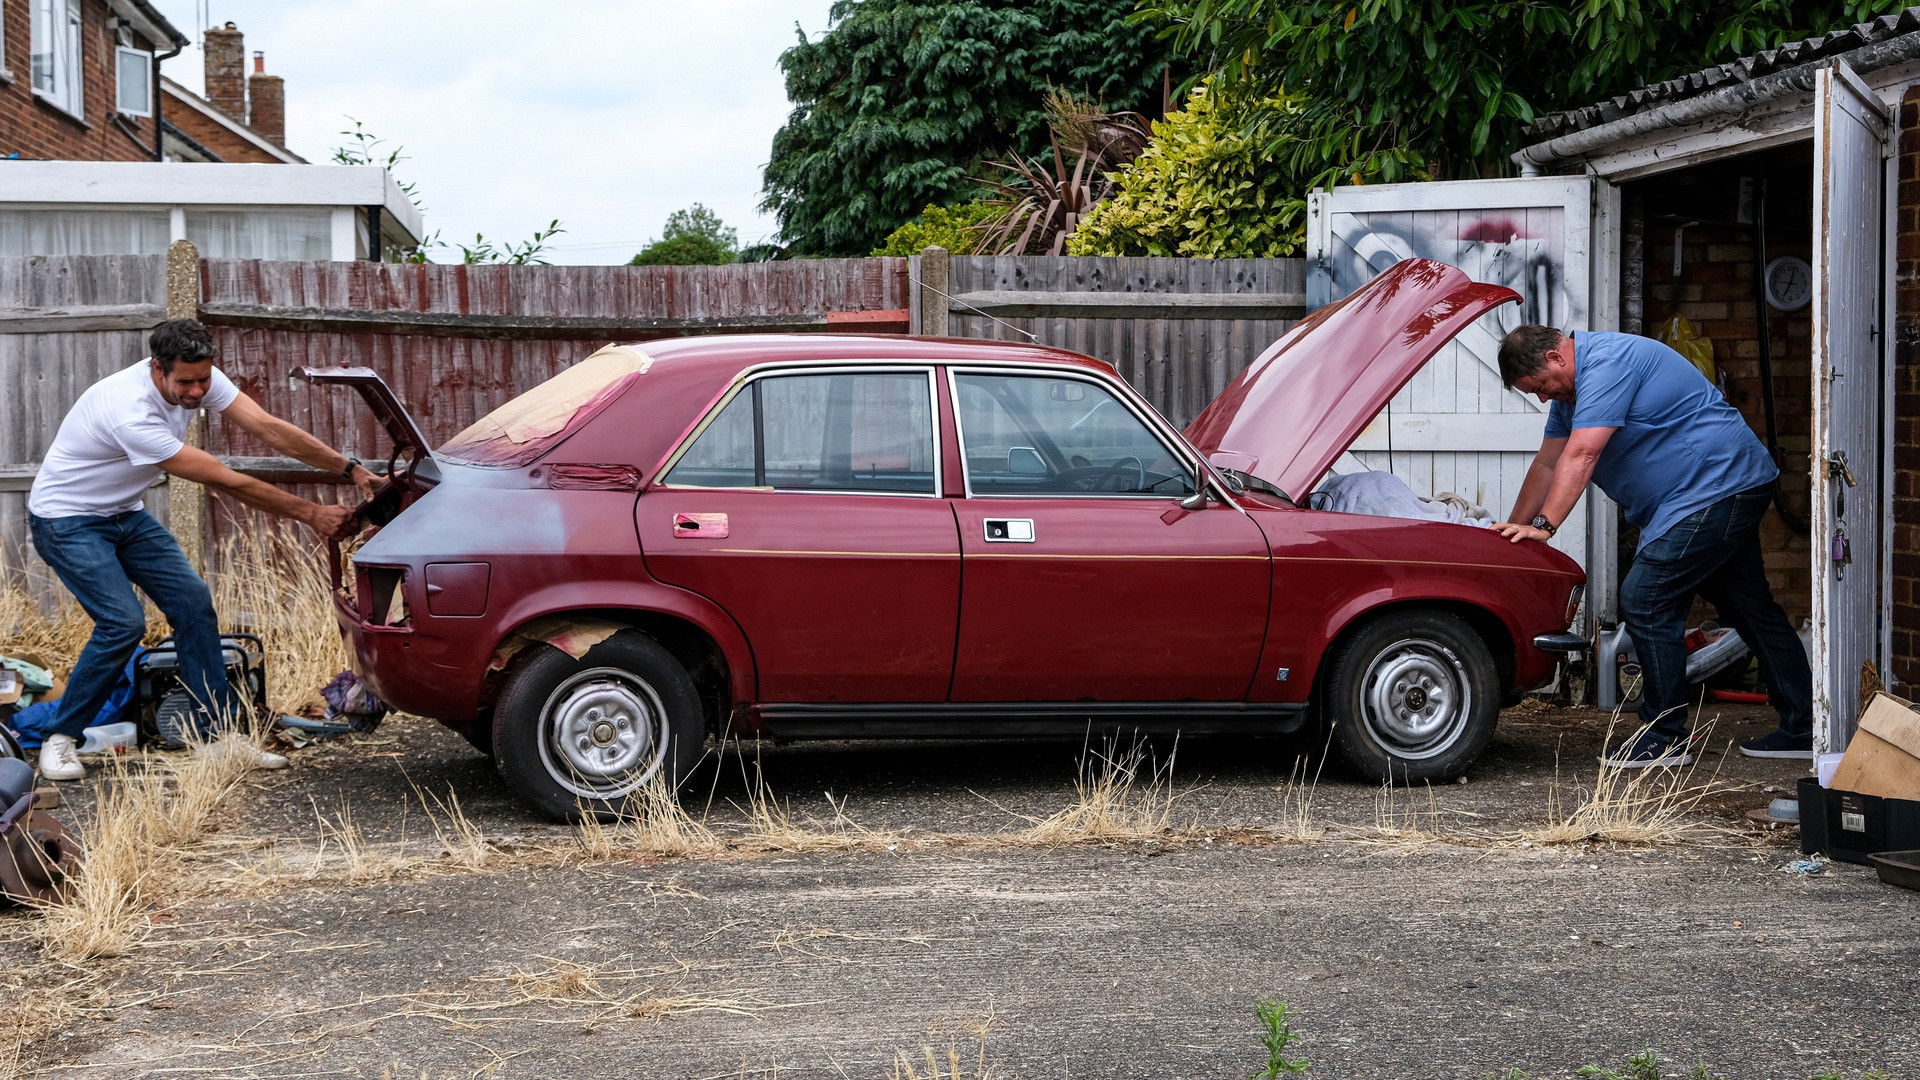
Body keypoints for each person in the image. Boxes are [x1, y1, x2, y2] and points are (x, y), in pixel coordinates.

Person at [26, 319, 377, 782]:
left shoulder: (199, 375)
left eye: (203, 381)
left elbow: (269, 429)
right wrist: (311, 514)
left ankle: (218, 738)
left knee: (193, 604)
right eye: (185, 383)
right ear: (157, 369)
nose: (196, 392)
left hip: (124, 514)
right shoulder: (128, 411)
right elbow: (222, 477)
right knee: (122, 623)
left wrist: (350, 468)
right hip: (66, 519)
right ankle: (60, 737)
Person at [1491, 325, 1814, 768]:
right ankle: (1804, 728)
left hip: (1715, 487)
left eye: (1542, 388)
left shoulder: (1606, 365)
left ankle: (1664, 737)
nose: (1544, 399)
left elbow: (1582, 453)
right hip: (1712, 489)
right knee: (1749, 607)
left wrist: (1546, 525)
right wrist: (1516, 528)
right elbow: (1549, 462)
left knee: (1646, 598)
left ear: (1554, 357)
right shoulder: (1572, 391)